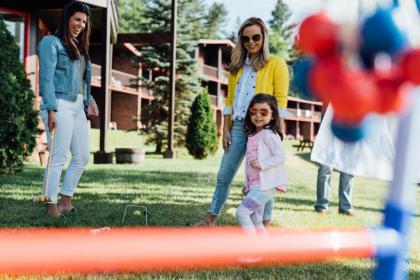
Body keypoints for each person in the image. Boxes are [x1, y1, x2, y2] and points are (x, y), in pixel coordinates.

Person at [196, 17, 289, 226]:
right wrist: (226, 128)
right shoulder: (237, 66)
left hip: (263, 128)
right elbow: (229, 99)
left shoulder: (276, 63)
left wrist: (275, 130)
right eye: (246, 38)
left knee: (264, 178)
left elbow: (280, 100)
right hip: (238, 126)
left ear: (264, 37)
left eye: (256, 37)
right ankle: (210, 219)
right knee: (223, 175)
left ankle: (264, 226)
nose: (251, 42)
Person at [38, 1, 98, 217]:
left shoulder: (80, 48)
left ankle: (66, 201)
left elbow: (81, 80)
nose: (80, 24)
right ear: (67, 19)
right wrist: (51, 109)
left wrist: (89, 99)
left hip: (77, 106)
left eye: (83, 21)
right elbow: (46, 79)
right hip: (59, 104)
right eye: (76, 19)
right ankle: (51, 205)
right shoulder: (51, 43)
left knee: (82, 156)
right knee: (58, 157)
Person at [311, 105, 399, 216]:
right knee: (325, 166)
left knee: (348, 166)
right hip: (333, 118)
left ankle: (345, 207)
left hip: (352, 122)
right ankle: (322, 206)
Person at [236, 94, 287, 233]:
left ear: (273, 115)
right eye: (254, 111)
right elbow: (250, 166)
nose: (258, 116)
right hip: (256, 186)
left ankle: (253, 250)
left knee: (242, 212)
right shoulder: (254, 135)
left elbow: (281, 155)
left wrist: (262, 164)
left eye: (263, 112)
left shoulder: (268, 134)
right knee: (255, 220)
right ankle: (263, 251)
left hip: (264, 187)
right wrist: (248, 186)